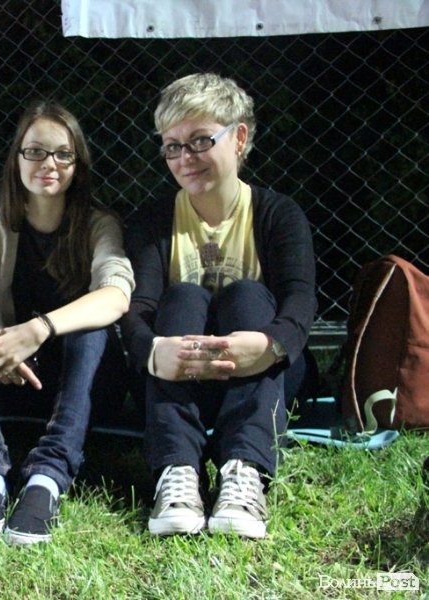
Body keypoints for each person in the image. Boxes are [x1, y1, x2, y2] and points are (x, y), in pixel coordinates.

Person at [0, 101, 135, 545]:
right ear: (17, 159)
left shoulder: (99, 226)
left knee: (90, 327)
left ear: (77, 164)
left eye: (63, 154)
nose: (48, 164)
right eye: (35, 151)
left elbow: (116, 294)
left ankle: (48, 478)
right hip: (15, 377)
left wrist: (36, 329)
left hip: (86, 385)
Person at [120, 73, 317, 539]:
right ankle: (177, 471)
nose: (184, 158)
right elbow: (136, 308)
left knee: (247, 294)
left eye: (200, 141)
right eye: (172, 146)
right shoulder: (153, 221)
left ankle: (244, 471)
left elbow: (300, 300)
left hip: (258, 377)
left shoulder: (278, 214)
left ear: (239, 138)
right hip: (179, 379)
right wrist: (153, 351)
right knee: (183, 296)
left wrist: (269, 345)